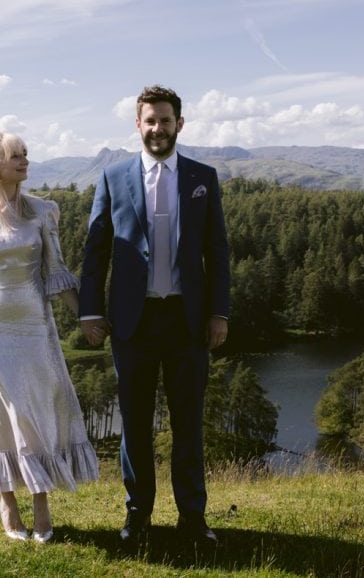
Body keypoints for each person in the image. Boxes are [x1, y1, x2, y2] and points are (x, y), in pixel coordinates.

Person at [79, 85, 230, 545]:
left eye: (166, 121)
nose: (158, 129)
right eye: (150, 121)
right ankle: (137, 516)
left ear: (179, 124)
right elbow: (95, 251)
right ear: (137, 124)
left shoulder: (203, 177)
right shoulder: (113, 177)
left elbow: (217, 252)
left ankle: (193, 519)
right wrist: (89, 312)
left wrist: (219, 314)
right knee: (135, 426)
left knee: (189, 425)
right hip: (133, 323)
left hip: (187, 322)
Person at [0, 131, 99, 543]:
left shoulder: (42, 211)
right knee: (3, 416)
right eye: (16, 156)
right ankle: (8, 501)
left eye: (25, 155)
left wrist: (86, 319)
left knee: (35, 413)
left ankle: (40, 502)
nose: (25, 161)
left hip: (36, 326)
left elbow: (58, 273)